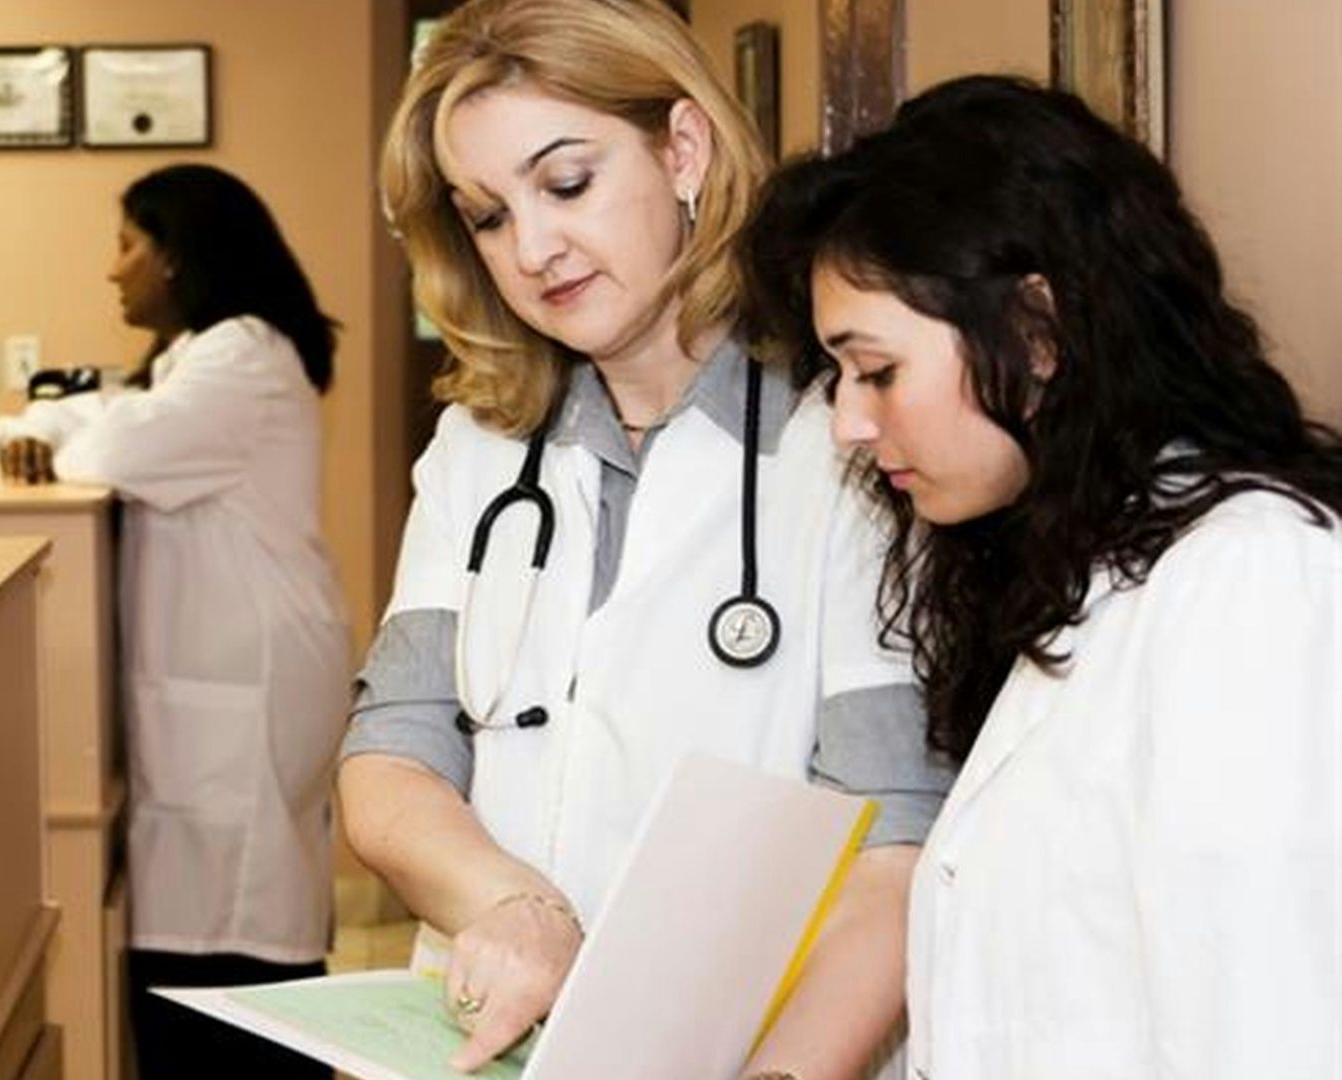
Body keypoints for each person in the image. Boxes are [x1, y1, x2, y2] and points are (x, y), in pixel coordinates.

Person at [339, 1, 956, 1076]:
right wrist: (514, 907)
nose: (532, 249)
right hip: (493, 1044)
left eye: (567, 183)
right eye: (488, 217)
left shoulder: (850, 437)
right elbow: (391, 756)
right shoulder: (479, 449)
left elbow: (894, 839)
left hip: (757, 1048)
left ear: (683, 149)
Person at [742, 74, 1341, 1078]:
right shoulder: (1066, 581)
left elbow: (1271, 1034)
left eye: (877, 371)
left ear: (1036, 331)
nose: (847, 424)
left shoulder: (1253, 581)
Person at [0, 163, 351, 1080]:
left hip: (247, 682)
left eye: (127, 246)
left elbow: (110, 445)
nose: (112, 270)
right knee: (216, 924)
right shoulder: (201, 355)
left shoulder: (242, 354)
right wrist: (40, 422)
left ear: (178, 255)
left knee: (235, 952)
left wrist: (53, 427)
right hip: (232, 673)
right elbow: (100, 411)